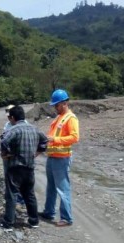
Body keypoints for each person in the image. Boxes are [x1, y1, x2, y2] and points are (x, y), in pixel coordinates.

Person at [0, 106, 48, 229]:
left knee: (11, 194)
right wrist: (38, 152)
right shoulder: (34, 129)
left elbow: (3, 142)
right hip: (29, 167)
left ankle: (8, 222)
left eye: (10, 117)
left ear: (13, 118)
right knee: (29, 194)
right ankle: (34, 221)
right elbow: (45, 141)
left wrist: (6, 154)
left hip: (15, 167)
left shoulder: (14, 130)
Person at [39, 89, 80, 227]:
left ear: (64, 103)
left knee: (63, 188)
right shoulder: (58, 118)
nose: (55, 108)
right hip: (52, 157)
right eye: (55, 105)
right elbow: (51, 137)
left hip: (61, 158)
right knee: (50, 187)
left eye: (57, 105)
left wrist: (55, 139)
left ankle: (66, 218)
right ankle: (49, 211)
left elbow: (75, 137)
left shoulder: (71, 118)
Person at [1, 105, 25, 206]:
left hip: (18, 156)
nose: (9, 118)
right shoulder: (7, 125)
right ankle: (11, 196)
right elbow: (4, 139)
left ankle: (20, 199)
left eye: (10, 116)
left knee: (20, 179)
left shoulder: (23, 124)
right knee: (8, 176)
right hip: (8, 156)